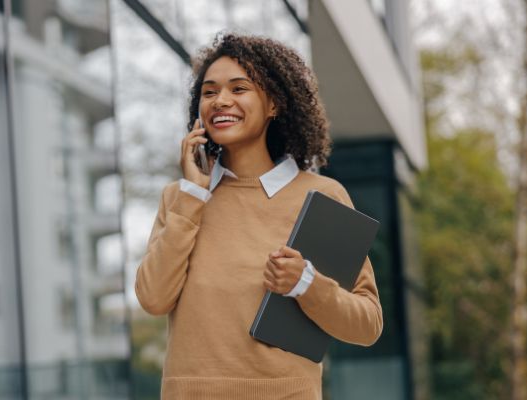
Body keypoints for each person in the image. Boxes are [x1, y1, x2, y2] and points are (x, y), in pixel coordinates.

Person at [134, 33, 383, 399]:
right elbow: (153, 298)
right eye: (209, 92)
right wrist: (194, 195)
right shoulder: (180, 197)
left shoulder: (322, 196)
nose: (221, 101)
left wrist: (306, 284)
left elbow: (367, 324)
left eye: (239, 89)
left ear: (274, 105)